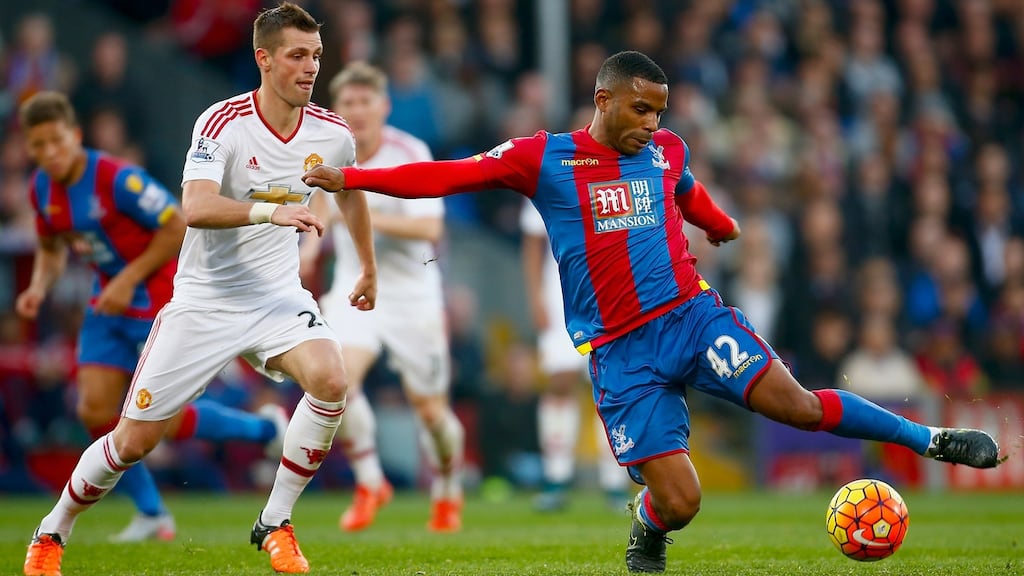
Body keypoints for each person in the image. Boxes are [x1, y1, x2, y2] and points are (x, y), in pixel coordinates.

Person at [303, 50, 1003, 574]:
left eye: (660, 111)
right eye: (640, 109)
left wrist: (720, 224)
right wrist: (352, 176)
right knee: (682, 502)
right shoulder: (543, 158)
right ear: (603, 101)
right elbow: (448, 174)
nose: (653, 124)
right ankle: (648, 521)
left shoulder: (664, 149)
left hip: (692, 317)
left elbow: (688, 191)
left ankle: (931, 438)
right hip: (620, 352)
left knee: (797, 405)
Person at [23, 4, 376, 575]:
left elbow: (350, 191)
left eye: (315, 55)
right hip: (205, 299)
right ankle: (51, 531)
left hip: (277, 298)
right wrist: (271, 213)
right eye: (297, 55)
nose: (311, 67)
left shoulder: (332, 133)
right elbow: (195, 207)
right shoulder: (223, 122)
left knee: (332, 379)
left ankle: (275, 523)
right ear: (264, 58)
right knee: (132, 442)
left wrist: (367, 266)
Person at [15, 90, 290, 545]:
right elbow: (49, 246)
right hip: (109, 304)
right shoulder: (43, 188)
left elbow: (176, 224)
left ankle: (263, 430)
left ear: (76, 136)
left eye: (57, 142)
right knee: (96, 410)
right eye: (39, 145)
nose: (49, 153)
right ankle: (152, 512)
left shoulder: (118, 179)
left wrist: (127, 280)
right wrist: (38, 288)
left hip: (153, 298)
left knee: (156, 414)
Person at [300, 61, 464, 533]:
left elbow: (431, 226)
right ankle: (371, 481)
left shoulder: (409, 152)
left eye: (365, 101)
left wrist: (365, 214)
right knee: (335, 382)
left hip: (413, 297)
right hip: (354, 291)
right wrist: (309, 251)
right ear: (337, 108)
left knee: (430, 412)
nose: (357, 111)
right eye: (348, 103)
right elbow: (322, 211)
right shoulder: (331, 153)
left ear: (383, 106)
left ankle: (448, 487)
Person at [519, 200, 628, 511]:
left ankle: (615, 482)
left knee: (612, 386)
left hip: (610, 295)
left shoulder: (615, 170)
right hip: (561, 297)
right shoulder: (549, 168)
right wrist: (535, 297)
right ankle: (556, 478)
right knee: (560, 383)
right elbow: (532, 243)